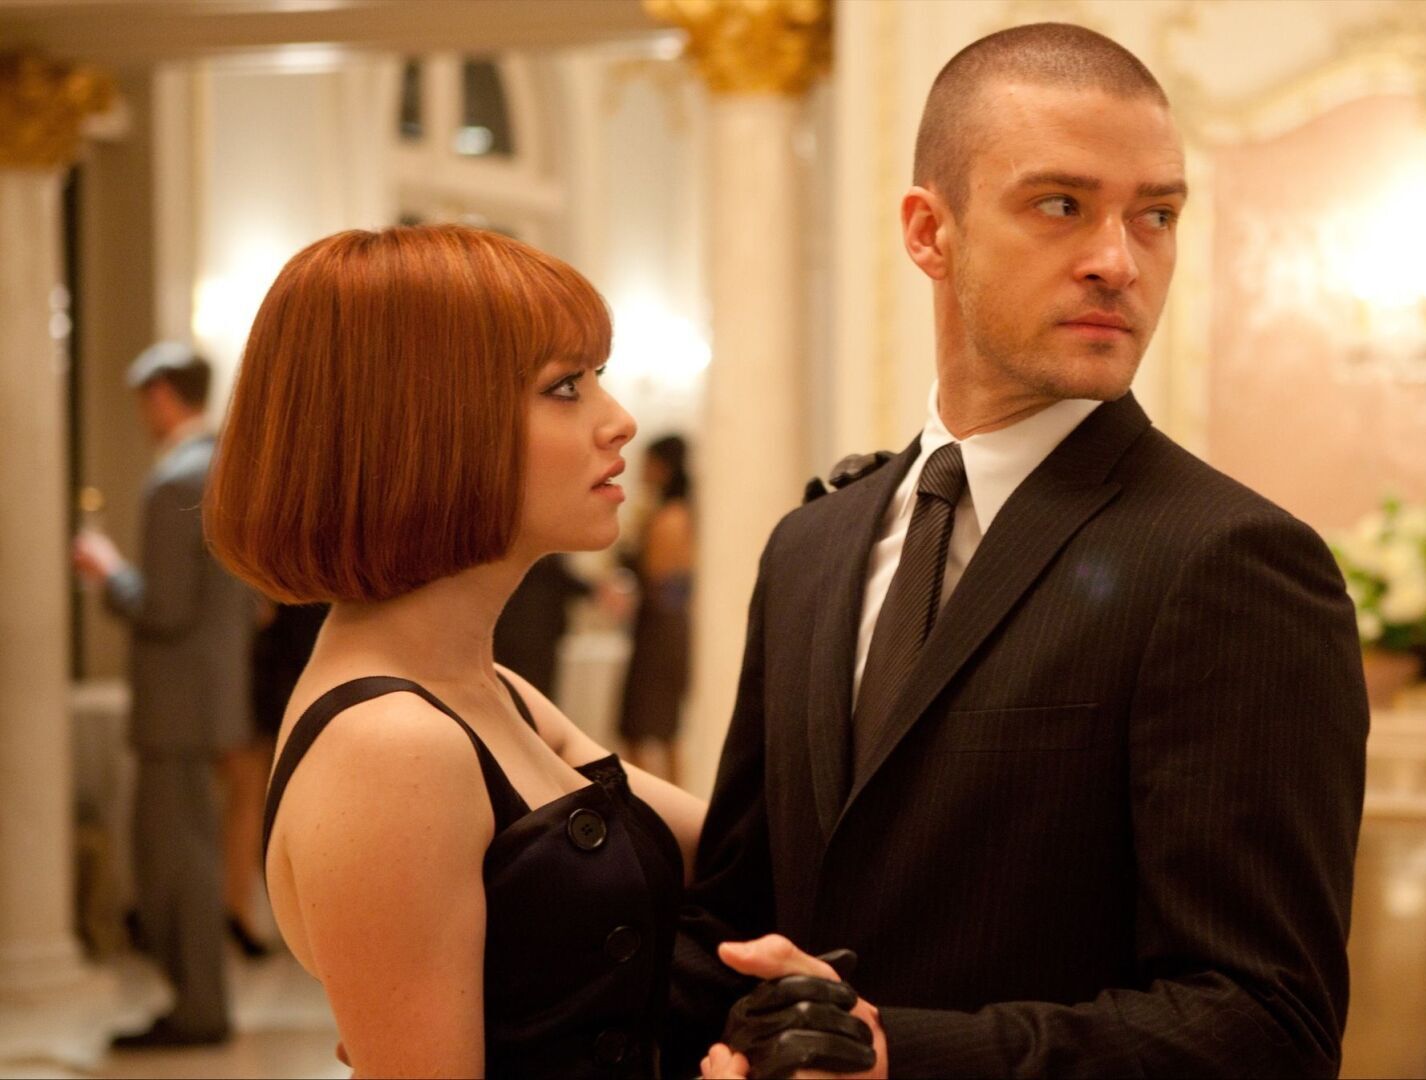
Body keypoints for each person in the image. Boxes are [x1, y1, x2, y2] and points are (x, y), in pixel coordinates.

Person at [669, 23, 1370, 1078]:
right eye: (1060, 205)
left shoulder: (1231, 560)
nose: (1117, 261)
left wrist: (901, 1057)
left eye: (1156, 215)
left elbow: (1267, 1024)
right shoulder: (811, 547)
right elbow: (738, 918)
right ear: (929, 231)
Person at [203, 225, 876, 1078]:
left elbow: (751, 860)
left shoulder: (494, 690)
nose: (620, 420)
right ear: (427, 427)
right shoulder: (391, 744)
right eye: (565, 387)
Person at [72, 343, 258, 1048]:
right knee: (190, 854)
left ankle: (198, 1009)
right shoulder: (224, 469)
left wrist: (109, 571)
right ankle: (198, 1003)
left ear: (160, 395)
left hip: (176, 705)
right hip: (211, 698)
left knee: (174, 863)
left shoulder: (174, 479)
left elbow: (165, 609)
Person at [235, 598, 328, 958]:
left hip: (290, 660)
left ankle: (255, 911)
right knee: (264, 798)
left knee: (264, 797)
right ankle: (251, 911)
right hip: (285, 665)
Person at [617, 434, 694, 782]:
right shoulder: (673, 513)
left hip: (659, 632)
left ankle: (660, 805)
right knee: (656, 730)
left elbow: (659, 576)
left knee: (651, 729)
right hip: (661, 628)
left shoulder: (670, 517)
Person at [493, 554, 589, 699]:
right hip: (530, 630)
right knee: (528, 691)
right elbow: (558, 577)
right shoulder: (538, 556)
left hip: (525, 630)